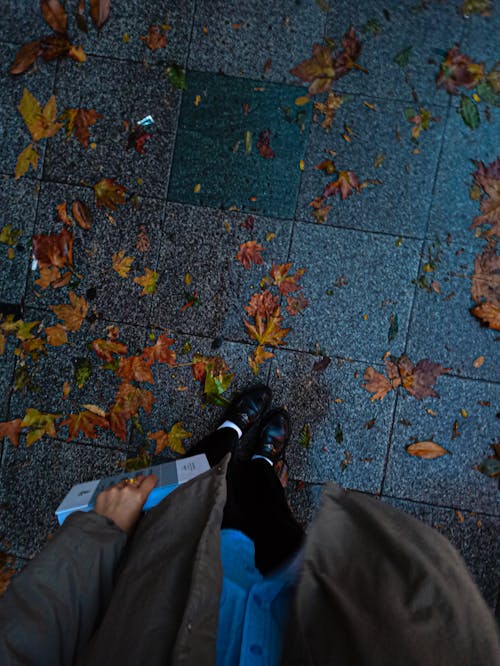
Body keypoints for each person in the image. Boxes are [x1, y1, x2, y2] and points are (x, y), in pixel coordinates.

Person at [0, 384, 498, 666]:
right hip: (290, 582)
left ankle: (226, 439)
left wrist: (97, 536)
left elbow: (22, 641)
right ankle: (259, 465)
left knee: (195, 491)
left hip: (159, 591)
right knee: (266, 509)